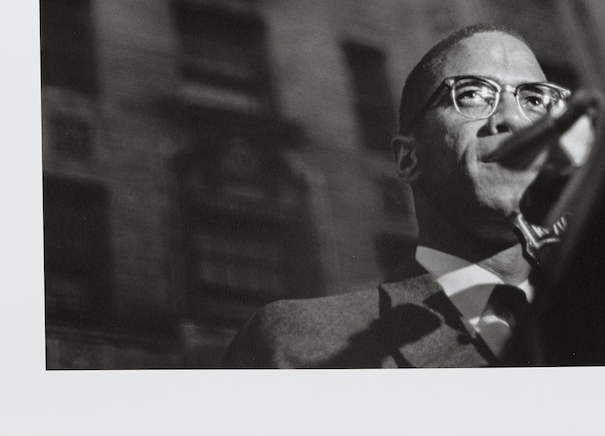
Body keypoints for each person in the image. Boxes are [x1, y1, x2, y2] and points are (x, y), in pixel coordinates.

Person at [222, 22, 570, 368]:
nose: (512, 119)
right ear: (408, 159)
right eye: (472, 94)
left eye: (536, 100)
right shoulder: (303, 345)